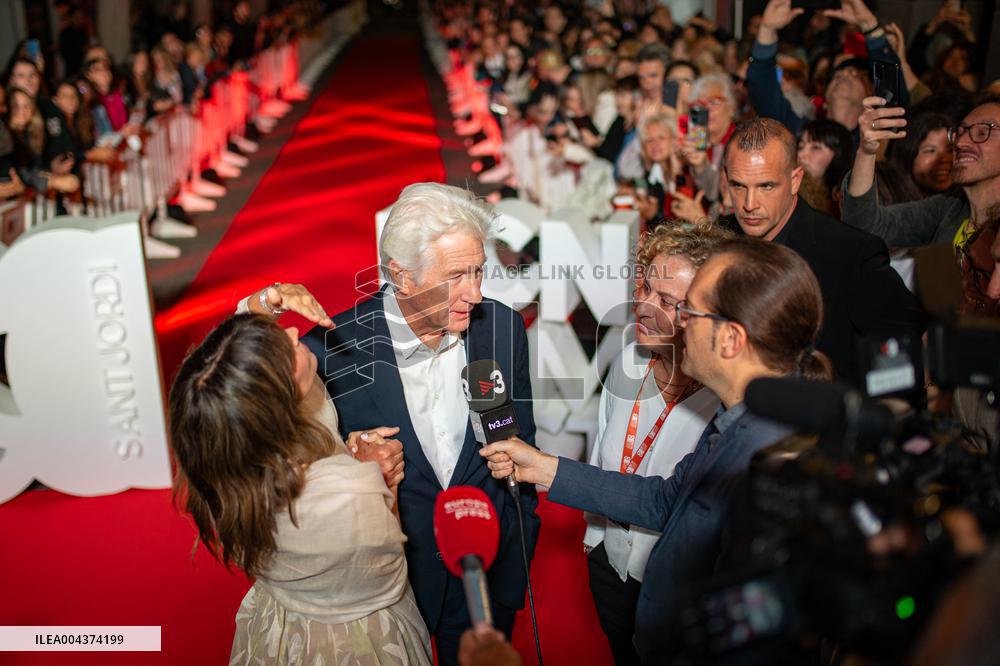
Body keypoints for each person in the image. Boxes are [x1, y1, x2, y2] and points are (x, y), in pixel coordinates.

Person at [482, 238, 831, 663]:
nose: (678, 323)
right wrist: (543, 468)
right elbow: (667, 499)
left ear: (731, 340)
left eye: (689, 311)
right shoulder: (738, 420)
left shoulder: (769, 462)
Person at [300, 183, 540, 666]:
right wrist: (348, 462)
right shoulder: (331, 351)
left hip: (483, 577)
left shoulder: (502, 328)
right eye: (456, 276)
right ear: (401, 276)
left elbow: (520, 446)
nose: (475, 293)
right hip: (386, 587)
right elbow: (290, 479)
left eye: (478, 272)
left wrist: (515, 564)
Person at [169, 305, 432, 665]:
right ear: (275, 399)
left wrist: (264, 301)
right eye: (284, 350)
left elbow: (227, 358)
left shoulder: (228, 450)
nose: (293, 333)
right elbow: (385, 576)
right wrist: (381, 478)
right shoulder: (349, 493)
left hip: (283, 612)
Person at [584, 223, 728, 666]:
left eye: (667, 302)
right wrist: (593, 542)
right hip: (610, 564)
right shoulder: (630, 358)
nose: (643, 308)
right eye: (645, 287)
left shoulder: (724, 399)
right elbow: (601, 452)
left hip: (675, 586)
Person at [721, 117, 923, 385]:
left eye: (766, 186)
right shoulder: (721, 239)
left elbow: (905, 352)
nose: (749, 204)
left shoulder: (849, 253)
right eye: (738, 185)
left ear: (795, 180)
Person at [843, 95, 1000, 255]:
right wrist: (866, 151)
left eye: (982, 132)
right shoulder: (948, 209)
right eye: (960, 133)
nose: (960, 143)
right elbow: (863, 227)